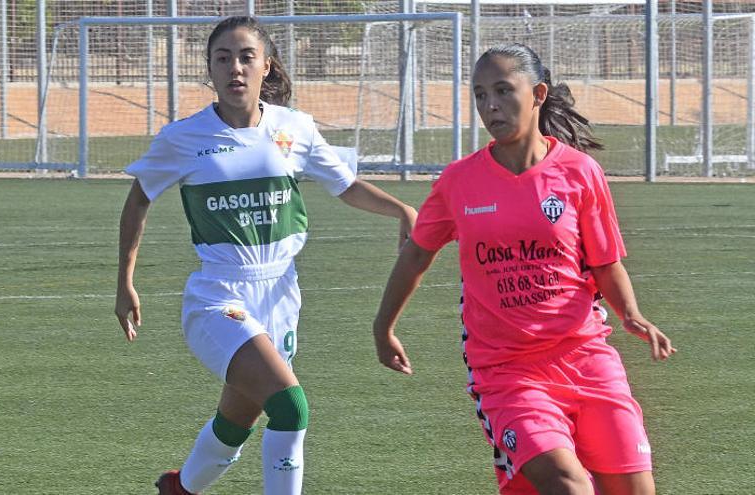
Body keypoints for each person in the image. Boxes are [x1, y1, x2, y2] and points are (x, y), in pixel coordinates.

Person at [114, 16, 417, 495]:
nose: (234, 67)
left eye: (245, 56)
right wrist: (125, 281)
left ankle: (180, 489)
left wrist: (401, 210)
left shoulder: (294, 128)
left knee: (237, 421)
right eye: (222, 58)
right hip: (219, 296)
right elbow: (139, 199)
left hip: (280, 296)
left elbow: (346, 185)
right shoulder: (183, 138)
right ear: (209, 71)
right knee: (291, 407)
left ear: (265, 66)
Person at [371, 43, 676, 495]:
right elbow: (416, 253)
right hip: (507, 370)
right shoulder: (459, 181)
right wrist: (383, 327)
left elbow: (605, 261)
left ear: (537, 94)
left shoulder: (580, 173)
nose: (489, 105)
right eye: (479, 94)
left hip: (587, 358)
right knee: (568, 485)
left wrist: (631, 312)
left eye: (502, 90)